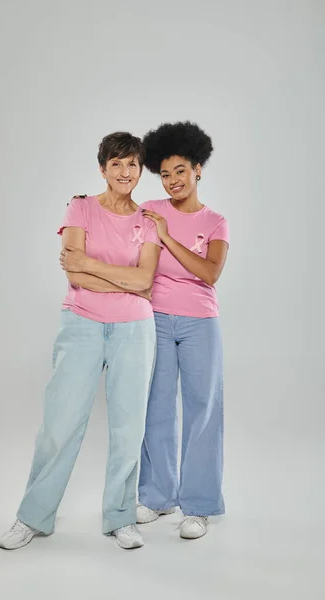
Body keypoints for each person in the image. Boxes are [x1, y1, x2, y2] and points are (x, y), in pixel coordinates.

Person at [0, 132, 162, 551]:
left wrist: (93, 265)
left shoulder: (148, 221)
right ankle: (32, 517)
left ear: (140, 169)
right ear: (103, 168)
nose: (125, 172)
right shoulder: (81, 207)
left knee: (129, 429)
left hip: (135, 331)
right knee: (59, 424)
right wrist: (120, 281)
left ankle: (121, 518)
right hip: (82, 325)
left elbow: (145, 280)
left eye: (132, 164)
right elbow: (73, 275)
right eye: (116, 164)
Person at [137, 121, 229, 540]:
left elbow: (209, 273)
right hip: (153, 317)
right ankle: (157, 497)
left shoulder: (215, 222)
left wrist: (168, 239)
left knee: (201, 412)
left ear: (198, 169)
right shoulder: (152, 208)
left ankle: (199, 505)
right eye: (165, 173)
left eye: (180, 171)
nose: (172, 180)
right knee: (155, 407)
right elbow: (121, 224)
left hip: (199, 323)